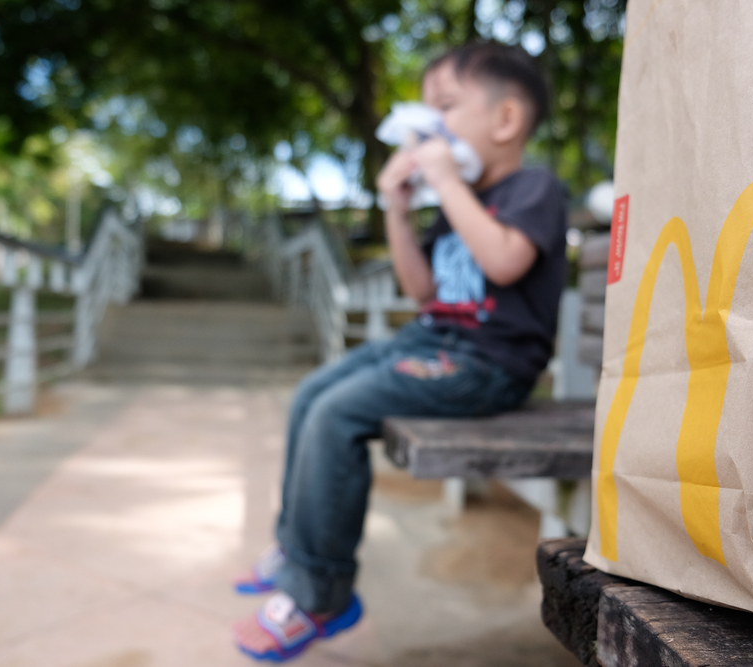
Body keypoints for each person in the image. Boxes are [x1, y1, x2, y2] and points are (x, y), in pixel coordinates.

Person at [234, 40, 568, 662]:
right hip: (432, 340)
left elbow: (503, 259)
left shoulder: (533, 189)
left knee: (339, 413)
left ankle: (320, 594)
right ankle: (297, 549)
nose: (429, 127)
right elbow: (422, 292)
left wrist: (444, 180)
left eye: (445, 108)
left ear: (505, 121)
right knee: (313, 392)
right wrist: (397, 207)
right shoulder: (455, 204)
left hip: (486, 363)